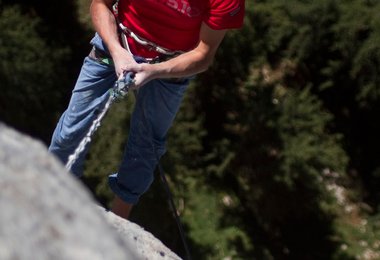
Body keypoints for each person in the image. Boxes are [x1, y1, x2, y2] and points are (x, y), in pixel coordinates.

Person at [49, 0, 245, 219]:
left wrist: (154, 71)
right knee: (72, 129)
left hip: (172, 65)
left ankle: (119, 221)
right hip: (117, 40)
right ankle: (53, 191)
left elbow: (204, 54)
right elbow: (100, 5)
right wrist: (116, 51)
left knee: (146, 145)